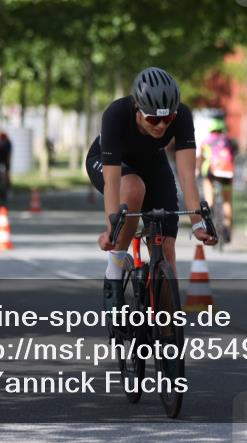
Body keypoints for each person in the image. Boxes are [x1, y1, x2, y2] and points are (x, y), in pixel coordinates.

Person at [86, 66, 217, 312]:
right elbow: (113, 182)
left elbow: (188, 175)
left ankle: (168, 338)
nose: (161, 126)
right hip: (111, 163)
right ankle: (114, 270)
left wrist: (199, 224)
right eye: (154, 119)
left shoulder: (183, 116)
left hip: (152, 163)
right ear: (138, 109)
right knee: (133, 187)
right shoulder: (116, 114)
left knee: (167, 249)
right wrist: (111, 231)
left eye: (168, 119)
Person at [197, 117, 237, 243]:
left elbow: (201, 158)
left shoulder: (206, 141)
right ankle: (227, 228)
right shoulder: (229, 141)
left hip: (211, 172)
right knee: (227, 202)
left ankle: (211, 214)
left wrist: (198, 170)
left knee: (209, 195)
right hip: (227, 173)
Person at [0, 131, 12, 196]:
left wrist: (8, 165)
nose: (3, 142)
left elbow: (9, 155)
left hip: (5, 159)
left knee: (7, 175)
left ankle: (8, 189)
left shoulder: (8, 143)